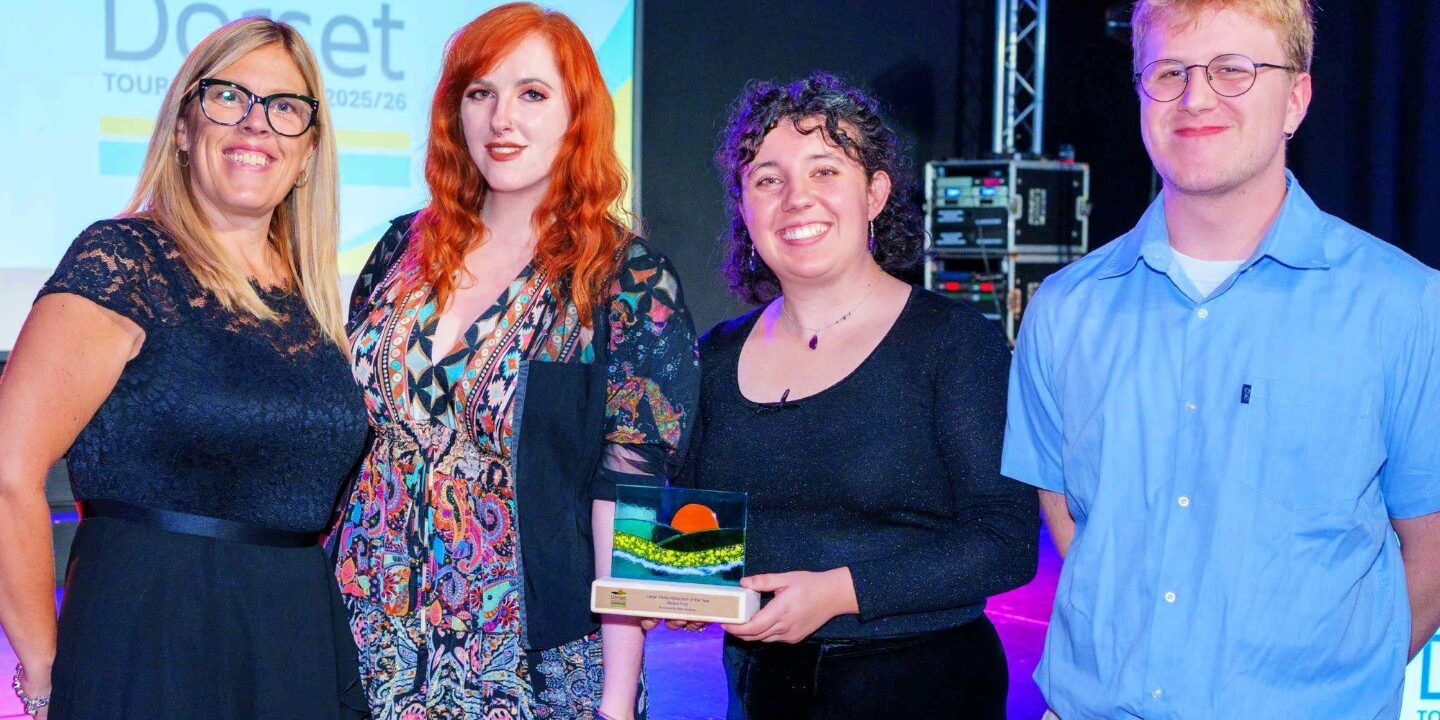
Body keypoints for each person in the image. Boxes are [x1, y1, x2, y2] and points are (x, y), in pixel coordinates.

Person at [1002, 1, 1440, 717]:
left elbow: (1432, 554)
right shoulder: (1064, 310)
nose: (1196, 97)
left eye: (1233, 70)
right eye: (1168, 72)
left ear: (1296, 98)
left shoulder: (1405, 307)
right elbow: (1073, 523)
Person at [330, 4, 699, 719]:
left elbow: (628, 495)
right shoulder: (400, 249)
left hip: (528, 659)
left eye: (532, 94)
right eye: (481, 93)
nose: (502, 119)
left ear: (577, 115)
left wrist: (617, 699)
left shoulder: (624, 278)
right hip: (362, 636)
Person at [0, 17, 368, 720]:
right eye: (229, 97)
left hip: (294, 645)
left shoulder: (313, 300)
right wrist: (45, 674)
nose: (256, 124)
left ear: (308, 153)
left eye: (285, 108)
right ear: (182, 127)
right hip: (149, 640)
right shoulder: (124, 261)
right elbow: (7, 473)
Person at [675, 72, 1039, 720]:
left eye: (825, 171)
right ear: (745, 209)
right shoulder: (714, 356)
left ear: (875, 193)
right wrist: (678, 587)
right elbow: (693, 527)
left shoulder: (953, 342)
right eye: (768, 179)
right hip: (762, 692)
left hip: (923, 688)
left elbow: (1005, 539)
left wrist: (840, 593)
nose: (796, 199)